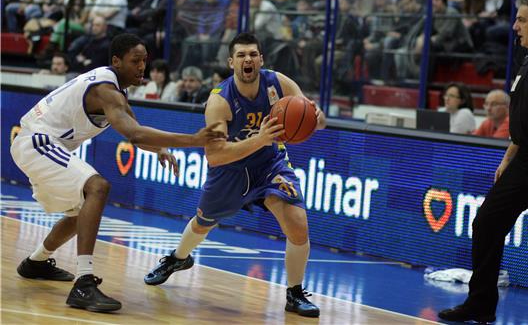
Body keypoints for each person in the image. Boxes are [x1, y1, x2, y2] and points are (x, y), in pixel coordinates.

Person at [10, 34, 224, 313]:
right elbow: (133, 134)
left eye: (144, 60)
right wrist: (193, 139)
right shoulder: (105, 89)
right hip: (37, 141)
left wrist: (159, 149)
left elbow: (134, 128)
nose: (141, 67)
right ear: (116, 61)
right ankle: (84, 284)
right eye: (135, 61)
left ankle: (36, 262)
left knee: (81, 210)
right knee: (97, 187)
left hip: (43, 143)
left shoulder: (115, 90)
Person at [143, 33, 326, 318]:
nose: (247, 59)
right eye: (241, 55)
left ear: (261, 59)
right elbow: (215, 155)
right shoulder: (220, 100)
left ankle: (294, 292)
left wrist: (316, 115)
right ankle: (177, 259)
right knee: (204, 223)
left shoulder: (279, 83)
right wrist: (261, 138)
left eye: (253, 54)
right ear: (231, 62)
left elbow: (311, 117)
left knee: (298, 223)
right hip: (230, 170)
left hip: (270, 165)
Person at [439, 0, 528, 323]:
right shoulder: (527, 60)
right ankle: (480, 305)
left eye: (522, 20)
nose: (515, 25)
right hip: (523, 161)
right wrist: (507, 158)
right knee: (486, 223)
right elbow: (522, 119)